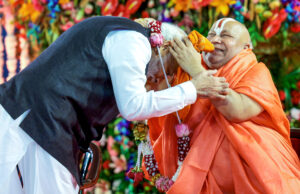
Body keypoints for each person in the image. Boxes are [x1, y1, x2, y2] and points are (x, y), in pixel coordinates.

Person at [0, 16, 228, 194]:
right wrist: (193, 89)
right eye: (167, 74)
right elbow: (133, 106)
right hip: (42, 121)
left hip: (38, 121)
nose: (158, 84)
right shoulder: (132, 41)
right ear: (163, 48)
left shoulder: (123, 36)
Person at [147, 18, 300, 193]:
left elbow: (236, 110)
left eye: (225, 35)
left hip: (257, 171)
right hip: (194, 170)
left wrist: (196, 70)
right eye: (211, 34)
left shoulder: (256, 71)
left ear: (246, 48)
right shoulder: (188, 65)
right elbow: (156, 94)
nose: (215, 39)